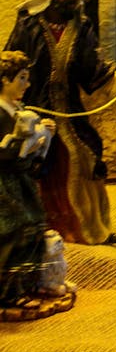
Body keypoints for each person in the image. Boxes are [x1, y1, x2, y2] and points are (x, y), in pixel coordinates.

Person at [6, 0, 116, 245]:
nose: (74, 1)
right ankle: (38, 229)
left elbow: (92, 67)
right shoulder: (29, 25)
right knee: (39, 163)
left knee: (84, 159)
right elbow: (13, 63)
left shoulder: (81, 27)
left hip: (70, 110)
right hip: (35, 107)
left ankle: (89, 226)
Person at [0, 50, 62, 312]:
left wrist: (44, 137)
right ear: (4, 79)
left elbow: (30, 150)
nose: (27, 84)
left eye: (27, 78)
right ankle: (8, 294)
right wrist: (19, 141)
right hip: (5, 186)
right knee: (13, 234)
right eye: (21, 78)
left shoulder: (20, 110)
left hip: (22, 182)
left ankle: (29, 283)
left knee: (33, 229)